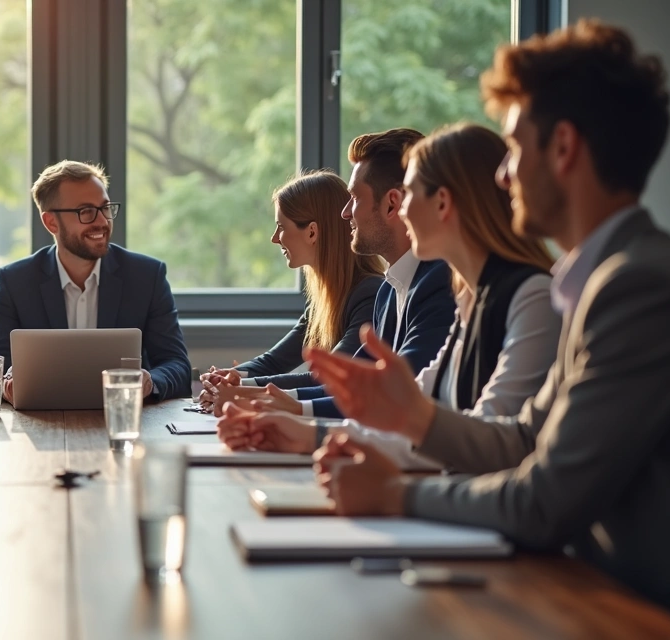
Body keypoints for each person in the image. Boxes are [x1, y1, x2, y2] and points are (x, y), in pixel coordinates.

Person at [299, 21, 670, 615]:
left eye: (515, 149)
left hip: (628, 611)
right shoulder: (596, 281)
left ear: (564, 148)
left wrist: (396, 495)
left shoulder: (636, 286)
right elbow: (526, 440)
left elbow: (545, 499)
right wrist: (414, 417)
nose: (504, 176)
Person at [220, 124, 562, 466]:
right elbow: (418, 412)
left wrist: (395, 494)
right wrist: (306, 433)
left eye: (409, 195)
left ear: (442, 203)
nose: (402, 210)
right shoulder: (465, 298)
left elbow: (484, 443)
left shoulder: (528, 297)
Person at [210, 129, 456, 419]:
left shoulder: (427, 285)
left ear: (392, 203)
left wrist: (260, 397)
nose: (345, 213)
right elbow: (354, 384)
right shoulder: (388, 292)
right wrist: (244, 389)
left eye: (354, 198)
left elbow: (392, 395)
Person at [0, 160, 191, 402]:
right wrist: (5, 386)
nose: (102, 221)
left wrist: (150, 382)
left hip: (123, 419)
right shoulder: (15, 282)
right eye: (85, 212)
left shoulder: (147, 276)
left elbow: (177, 366)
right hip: (42, 427)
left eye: (105, 208)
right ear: (51, 222)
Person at [197, 170, 383, 402]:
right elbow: (275, 361)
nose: (275, 238)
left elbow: (329, 376)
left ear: (312, 232)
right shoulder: (325, 300)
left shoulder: (371, 294)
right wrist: (229, 377)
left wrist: (242, 386)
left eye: (281, 227)